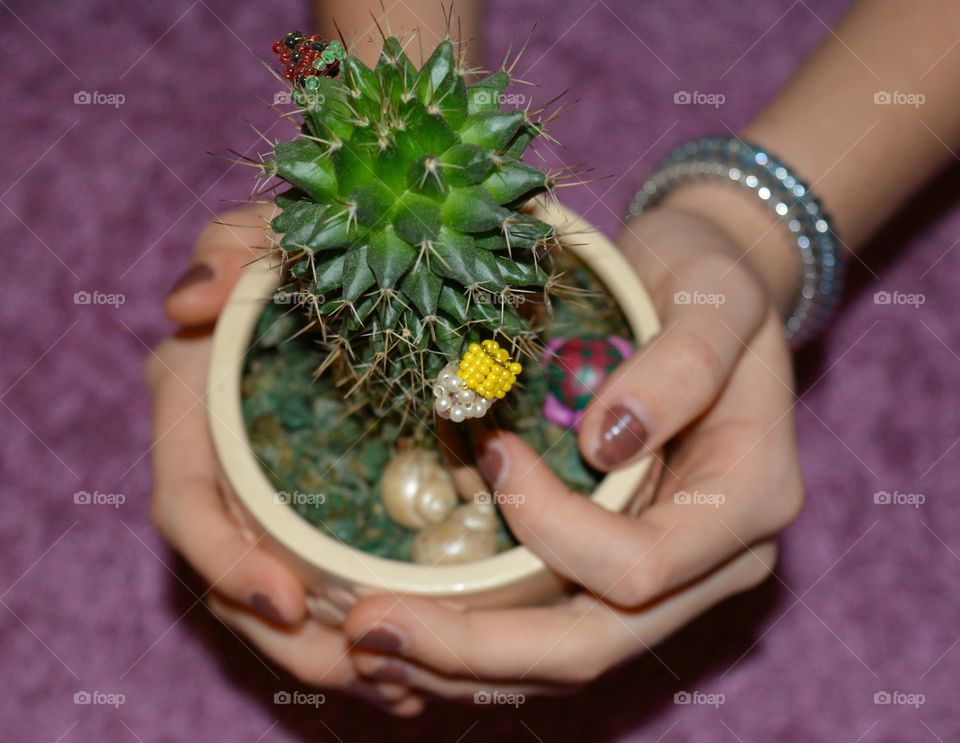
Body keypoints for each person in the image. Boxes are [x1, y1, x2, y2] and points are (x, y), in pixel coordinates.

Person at [147, 0, 960, 717]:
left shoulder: (488, 347)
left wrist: (750, 230)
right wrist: (373, 72)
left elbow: (479, 359)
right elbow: (334, 88)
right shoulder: (383, 246)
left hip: (472, 389)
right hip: (462, 368)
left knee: (468, 404)